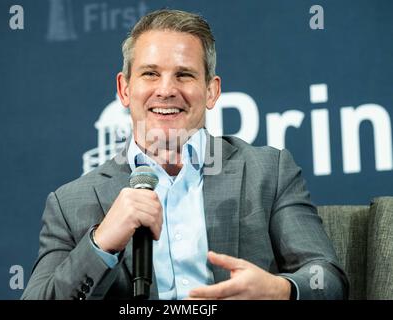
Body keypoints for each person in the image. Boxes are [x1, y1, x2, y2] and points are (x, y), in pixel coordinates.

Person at [22, 9, 348, 300]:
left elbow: (328, 280)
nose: (166, 89)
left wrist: (279, 291)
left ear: (211, 91)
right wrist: (100, 243)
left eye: (184, 74)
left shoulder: (269, 171)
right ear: (124, 89)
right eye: (150, 73)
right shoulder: (69, 204)